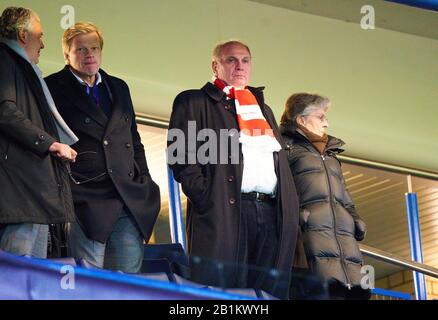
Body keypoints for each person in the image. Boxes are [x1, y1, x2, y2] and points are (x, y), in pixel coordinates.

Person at [167, 40, 299, 298]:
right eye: (231, 60)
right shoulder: (193, 101)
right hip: (225, 211)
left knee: (265, 294)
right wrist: (208, 197)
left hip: (271, 212)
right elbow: (180, 156)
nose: (240, 66)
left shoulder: (263, 108)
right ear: (215, 66)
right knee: (222, 294)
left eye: (245, 60)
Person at [45, 22, 160, 273]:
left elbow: (134, 140)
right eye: (81, 50)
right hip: (84, 201)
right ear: (66, 55)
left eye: (94, 48)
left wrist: (146, 180)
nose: (90, 55)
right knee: (90, 286)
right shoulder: (51, 87)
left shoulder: (118, 87)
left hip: (128, 198)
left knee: (127, 286)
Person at [0, 7, 78, 258]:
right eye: (40, 36)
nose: (43, 44)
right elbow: (4, 111)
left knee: (32, 279)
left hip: (31, 195)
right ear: (23, 35)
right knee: (15, 278)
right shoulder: (3, 59)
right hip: (18, 193)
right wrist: (50, 144)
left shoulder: (22, 68)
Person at [279, 93, 370, 299]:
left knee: (352, 292)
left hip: (343, 242)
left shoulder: (330, 155)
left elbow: (344, 195)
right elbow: (278, 189)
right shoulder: (285, 147)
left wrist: (354, 218)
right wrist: (297, 217)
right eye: (320, 117)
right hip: (306, 242)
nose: (326, 123)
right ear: (301, 120)